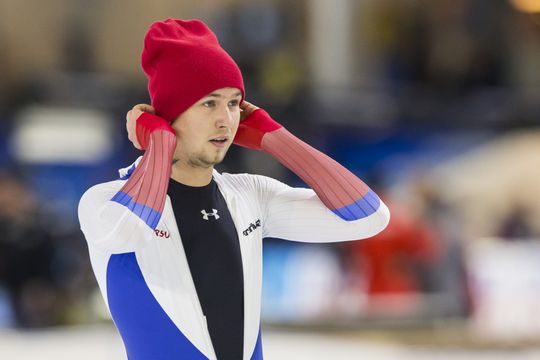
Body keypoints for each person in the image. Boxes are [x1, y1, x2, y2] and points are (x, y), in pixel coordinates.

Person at [78, 19, 390, 360]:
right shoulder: (104, 201)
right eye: (209, 103)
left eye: (234, 103)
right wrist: (159, 145)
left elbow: (368, 217)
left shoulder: (248, 197)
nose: (225, 120)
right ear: (167, 115)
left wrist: (275, 138)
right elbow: (130, 230)